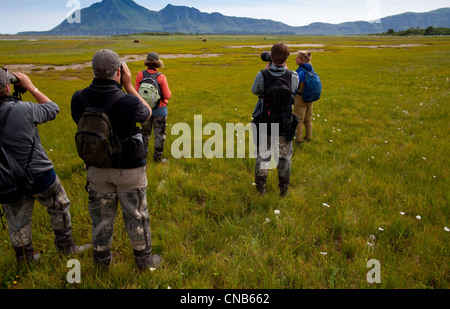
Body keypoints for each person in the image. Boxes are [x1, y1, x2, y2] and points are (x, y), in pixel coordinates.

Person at [71, 49, 161, 270]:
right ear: (119, 72)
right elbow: (147, 113)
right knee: (136, 216)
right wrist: (130, 86)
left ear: (94, 70)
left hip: (97, 168)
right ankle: (144, 261)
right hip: (128, 170)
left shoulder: (78, 97)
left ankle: (102, 263)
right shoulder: (127, 100)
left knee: (101, 218)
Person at [0, 69, 90, 266]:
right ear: (8, 87)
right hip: (39, 172)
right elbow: (52, 108)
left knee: (17, 220)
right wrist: (30, 87)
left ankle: (25, 260)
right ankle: (67, 248)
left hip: (6, 178)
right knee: (59, 206)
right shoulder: (24, 109)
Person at [251, 42, 299, 197]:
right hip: (285, 124)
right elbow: (293, 90)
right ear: (287, 57)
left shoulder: (262, 75)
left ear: (271, 57)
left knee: (263, 156)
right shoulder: (293, 76)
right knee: (284, 157)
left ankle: (260, 190)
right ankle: (283, 191)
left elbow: (255, 90)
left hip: (265, 122)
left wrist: (266, 72)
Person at [135, 52, 172, 163]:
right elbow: (167, 95)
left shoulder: (140, 75)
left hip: (145, 110)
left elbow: (137, 93)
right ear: (158, 63)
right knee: (159, 134)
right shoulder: (161, 77)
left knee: (144, 133)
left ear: (147, 62)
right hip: (160, 110)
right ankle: (158, 158)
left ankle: (142, 156)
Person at [293, 51, 315, 143]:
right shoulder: (311, 69)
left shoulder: (300, 71)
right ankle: (308, 138)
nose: (295, 59)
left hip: (300, 98)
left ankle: (298, 139)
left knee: (299, 120)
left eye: (297, 57)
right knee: (308, 119)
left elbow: (295, 85)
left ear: (302, 60)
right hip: (310, 98)